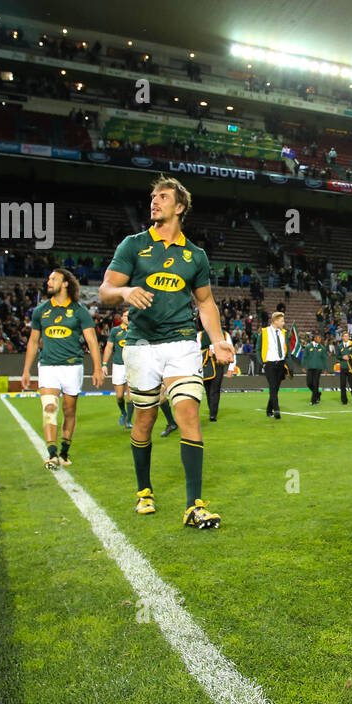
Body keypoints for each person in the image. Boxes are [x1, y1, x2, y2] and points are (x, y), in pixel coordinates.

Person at [99, 175, 234, 528]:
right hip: (141, 345)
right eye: (152, 197)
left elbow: (205, 304)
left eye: (162, 197)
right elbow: (104, 291)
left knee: (188, 412)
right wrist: (126, 292)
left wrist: (218, 339)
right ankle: (144, 490)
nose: (154, 202)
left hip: (182, 344)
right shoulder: (134, 245)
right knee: (143, 419)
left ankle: (195, 505)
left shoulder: (196, 255)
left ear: (180, 207)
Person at [22, 269, 104, 469]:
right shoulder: (41, 310)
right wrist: (26, 370)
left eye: (53, 279)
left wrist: (97, 368)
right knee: (49, 408)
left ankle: (64, 452)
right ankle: (51, 454)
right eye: (48, 278)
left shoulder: (79, 311)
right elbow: (33, 342)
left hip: (72, 366)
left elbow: (92, 340)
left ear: (66, 283)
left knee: (69, 410)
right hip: (48, 366)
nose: (48, 282)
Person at [102, 309, 131, 428]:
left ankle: (129, 420)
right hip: (118, 365)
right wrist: (104, 364)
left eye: (130, 316)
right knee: (119, 396)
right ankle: (123, 412)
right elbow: (109, 347)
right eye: (125, 316)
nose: (128, 318)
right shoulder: (115, 331)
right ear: (122, 318)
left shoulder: (136, 330)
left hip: (132, 366)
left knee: (131, 396)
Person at [260, 310, 289, 419]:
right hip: (270, 364)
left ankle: (269, 409)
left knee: (275, 388)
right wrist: (262, 362)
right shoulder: (264, 332)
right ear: (275, 321)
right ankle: (276, 410)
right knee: (272, 386)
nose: (283, 323)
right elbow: (258, 349)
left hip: (280, 364)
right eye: (282, 321)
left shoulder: (283, 333)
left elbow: (286, 349)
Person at [303, 332, 327, 404]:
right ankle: (317, 394)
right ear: (315, 338)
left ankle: (313, 400)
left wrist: (325, 368)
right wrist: (303, 366)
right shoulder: (308, 347)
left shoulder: (322, 348)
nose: (320, 339)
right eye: (319, 338)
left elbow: (324, 359)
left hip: (318, 368)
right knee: (309, 383)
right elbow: (304, 357)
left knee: (315, 383)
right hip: (310, 368)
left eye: (320, 338)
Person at [337, 330, 352, 404]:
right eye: (345, 336)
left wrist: (350, 357)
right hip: (343, 367)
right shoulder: (340, 346)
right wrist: (342, 357)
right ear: (342, 337)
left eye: (347, 336)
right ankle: (344, 400)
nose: (346, 337)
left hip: (351, 367)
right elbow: (337, 356)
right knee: (342, 384)